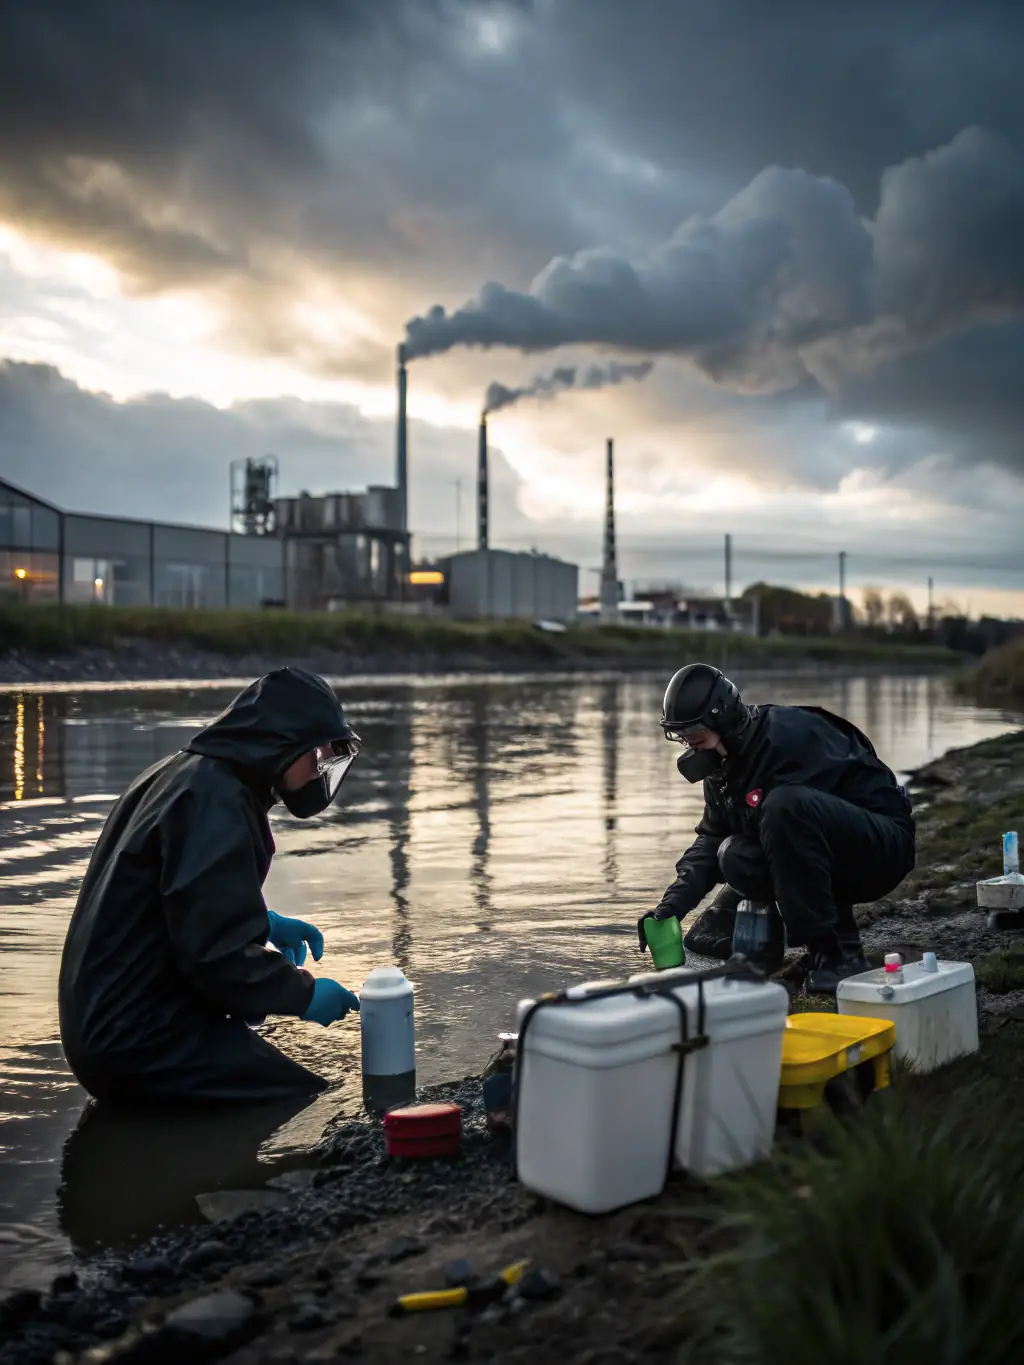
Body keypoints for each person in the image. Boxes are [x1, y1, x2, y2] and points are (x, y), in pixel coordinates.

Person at [59, 667, 362, 1104]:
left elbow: (180, 902)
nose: (319, 770)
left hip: (106, 1027)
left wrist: (265, 922)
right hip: (140, 1041)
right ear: (285, 742)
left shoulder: (184, 775)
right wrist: (305, 994)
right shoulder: (216, 799)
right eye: (318, 754)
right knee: (300, 1098)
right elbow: (218, 956)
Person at [637, 664, 916, 993]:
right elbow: (711, 841)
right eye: (683, 737)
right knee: (734, 853)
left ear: (722, 719)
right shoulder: (722, 767)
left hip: (882, 846)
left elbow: (800, 824)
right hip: (821, 847)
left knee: (784, 806)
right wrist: (670, 907)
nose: (689, 744)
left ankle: (838, 952)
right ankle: (772, 945)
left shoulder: (790, 735)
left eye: (694, 735)